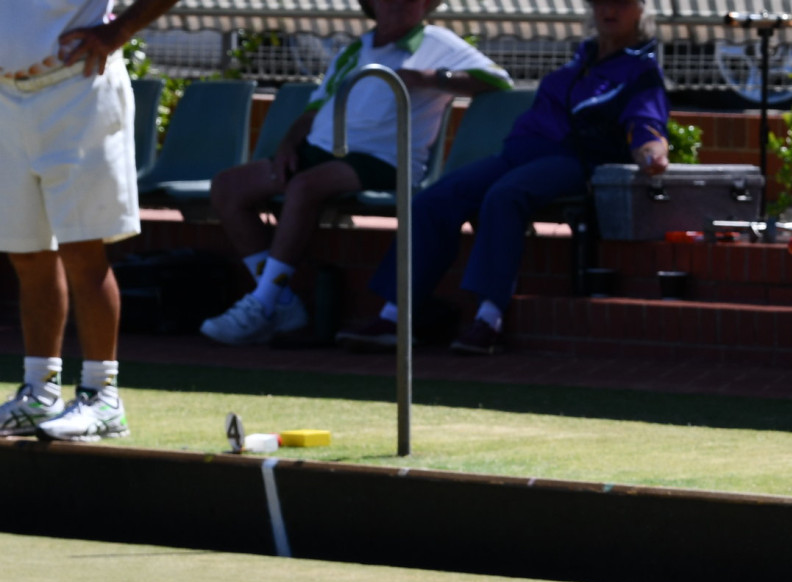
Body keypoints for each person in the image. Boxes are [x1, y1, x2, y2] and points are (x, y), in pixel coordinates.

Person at [338, 0, 668, 356]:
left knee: (505, 196)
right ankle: (395, 316)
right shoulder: (581, 59)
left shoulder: (641, 70)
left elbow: (646, 123)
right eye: (601, 2)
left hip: (575, 160)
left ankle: (488, 319)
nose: (609, 10)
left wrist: (651, 153)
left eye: (621, 3)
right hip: (518, 153)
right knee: (434, 200)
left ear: (640, 11)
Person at [199, 0, 509, 347]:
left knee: (304, 186)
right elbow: (316, 107)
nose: (400, 6)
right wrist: (288, 145)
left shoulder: (440, 43)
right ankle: (279, 301)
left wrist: (430, 78)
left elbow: (498, 79)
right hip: (320, 150)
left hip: (385, 159)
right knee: (228, 187)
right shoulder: (354, 51)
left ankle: (264, 302)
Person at [1, 0, 182, 443]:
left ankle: (103, 397)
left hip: (79, 89)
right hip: (7, 99)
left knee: (82, 250)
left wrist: (118, 30)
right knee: (27, 253)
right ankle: (39, 392)